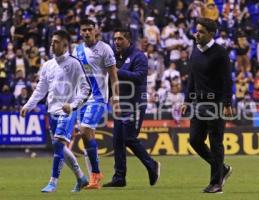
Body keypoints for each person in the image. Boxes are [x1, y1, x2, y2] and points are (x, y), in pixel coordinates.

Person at [20, 30, 90, 192]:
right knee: (60, 148)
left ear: (65, 45)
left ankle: (53, 182)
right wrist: (28, 105)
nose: (52, 44)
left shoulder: (74, 63)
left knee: (59, 144)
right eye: (52, 41)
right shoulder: (47, 65)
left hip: (67, 112)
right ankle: (81, 178)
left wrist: (73, 105)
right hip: (52, 112)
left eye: (56, 42)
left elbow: (85, 88)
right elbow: (40, 89)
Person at [181, 18, 233, 194]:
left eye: (201, 31)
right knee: (195, 140)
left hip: (216, 103)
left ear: (211, 34)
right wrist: (187, 101)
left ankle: (216, 183)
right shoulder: (195, 51)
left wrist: (227, 103)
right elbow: (192, 78)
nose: (197, 34)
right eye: (197, 31)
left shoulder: (220, 53)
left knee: (215, 142)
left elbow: (227, 80)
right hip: (198, 103)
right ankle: (222, 169)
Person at [103, 28, 160, 187]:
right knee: (117, 140)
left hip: (135, 103)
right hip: (120, 104)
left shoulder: (139, 56)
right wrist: (109, 98)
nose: (116, 42)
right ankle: (119, 178)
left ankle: (152, 164)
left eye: (120, 39)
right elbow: (110, 81)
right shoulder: (114, 58)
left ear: (128, 40)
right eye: (115, 39)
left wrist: (117, 72)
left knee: (128, 138)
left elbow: (140, 77)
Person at [72, 19, 120, 189]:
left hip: (99, 98)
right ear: (80, 32)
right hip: (82, 98)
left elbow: (113, 75)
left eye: (89, 29)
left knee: (85, 131)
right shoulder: (76, 50)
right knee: (87, 137)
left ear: (95, 30)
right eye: (83, 30)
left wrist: (116, 98)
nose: (86, 32)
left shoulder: (104, 49)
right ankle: (95, 176)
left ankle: (96, 173)